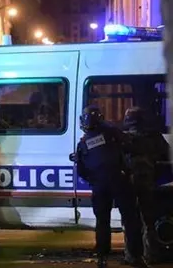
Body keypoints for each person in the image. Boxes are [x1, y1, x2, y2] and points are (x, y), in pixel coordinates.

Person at [74, 105, 149, 268]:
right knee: (130, 219)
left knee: (102, 221)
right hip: (119, 180)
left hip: (99, 185)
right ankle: (135, 256)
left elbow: (80, 170)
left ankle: (102, 256)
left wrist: (94, 180)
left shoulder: (83, 143)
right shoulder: (111, 131)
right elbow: (130, 145)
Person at [123, 107, 170, 264]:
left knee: (130, 221)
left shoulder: (123, 138)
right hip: (148, 183)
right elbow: (167, 155)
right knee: (148, 222)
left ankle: (131, 256)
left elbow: (116, 160)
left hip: (128, 185)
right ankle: (151, 255)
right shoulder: (154, 136)